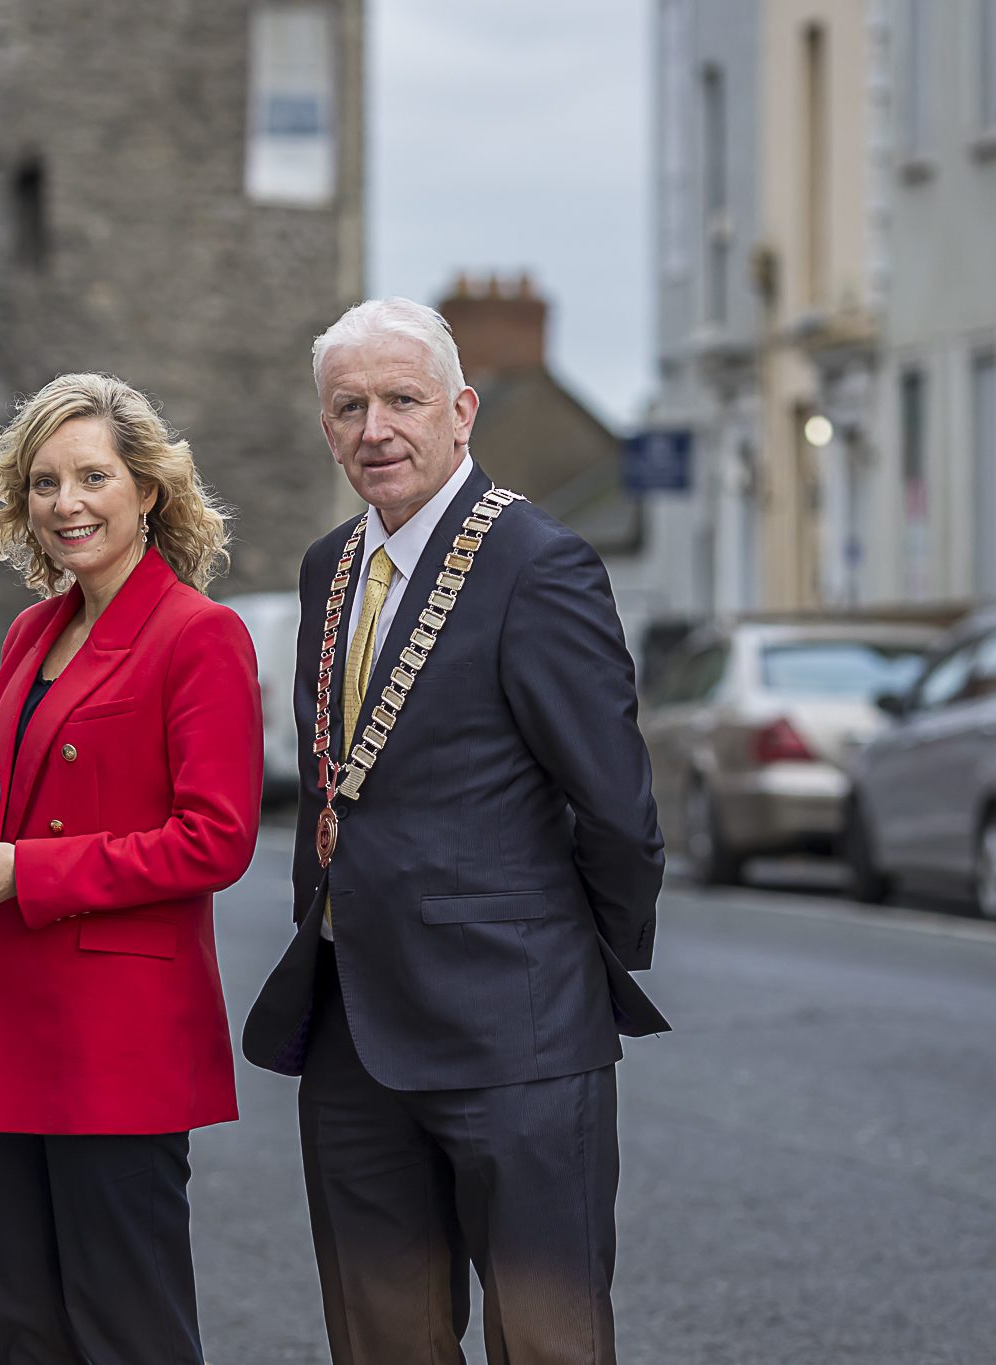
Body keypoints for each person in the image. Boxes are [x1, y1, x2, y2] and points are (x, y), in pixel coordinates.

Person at [241, 298, 669, 1365]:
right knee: (381, 1339)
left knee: (546, 1339)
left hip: (513, 1028)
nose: (374, 429)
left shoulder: (540, 563)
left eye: (401, 400)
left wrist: (569, 963)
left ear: (460, 411)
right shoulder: (324, 567)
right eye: (347, 407)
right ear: (324, 424)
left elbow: (616, 810)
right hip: (351, 1028)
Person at [0, 373, 262, 1365]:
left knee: (125, 1327)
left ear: (146, 490)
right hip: (3, 1017)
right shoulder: (29, 633)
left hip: (116, 1037)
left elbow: (216, 838)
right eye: (44, 482)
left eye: (92, 476)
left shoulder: (199, 636)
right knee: (17, 1324)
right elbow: (7, 812)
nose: (66, 503)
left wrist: (29, 874)